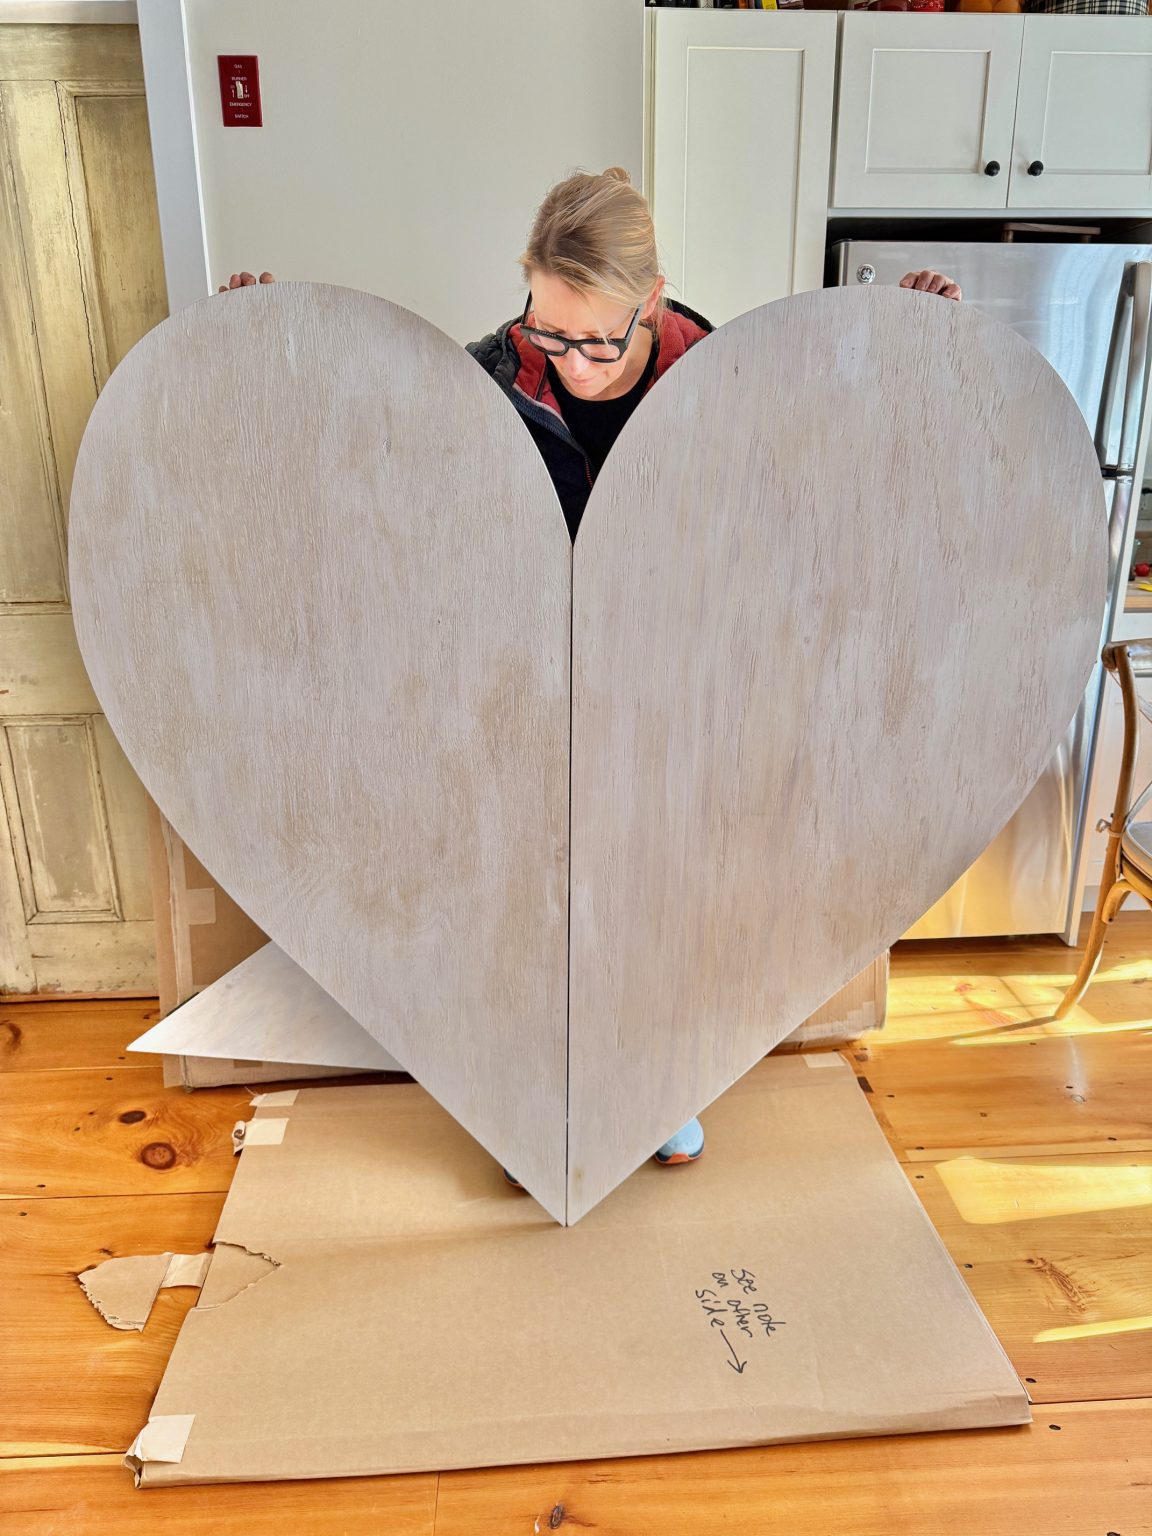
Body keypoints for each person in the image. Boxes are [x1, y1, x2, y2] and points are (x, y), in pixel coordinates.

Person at [218, 167, 961, 1184]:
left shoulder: (731, 377)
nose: (569, 361)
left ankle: (652, 1088)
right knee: (519, 899)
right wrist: (259, 351)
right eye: (547, 330)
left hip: (677, 685)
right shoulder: (486, 379)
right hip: (523, 686)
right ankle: (527, 1110)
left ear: (652, 300)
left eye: (598, 339)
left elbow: (838, 459)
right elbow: (365, 462)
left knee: (660, 894)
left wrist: (917, 343)